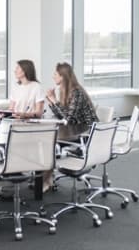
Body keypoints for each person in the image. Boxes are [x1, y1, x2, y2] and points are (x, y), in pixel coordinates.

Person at [42, 62, 99, 192]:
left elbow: (69, 119)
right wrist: (52, 101)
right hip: (77, 131)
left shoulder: (76, 92)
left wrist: (54, 100)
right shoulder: (66, 91)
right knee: (49, 143)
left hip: (86, 135)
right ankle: (47, 178)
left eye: (55, 74)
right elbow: (63, 116)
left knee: (50, 144)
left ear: (63, 76)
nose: (53, 77)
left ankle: (45, 180)